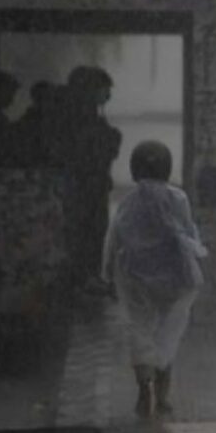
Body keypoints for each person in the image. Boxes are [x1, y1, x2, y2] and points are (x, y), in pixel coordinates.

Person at [100, 141, 207, 420]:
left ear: (135, 170)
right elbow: (189, 235)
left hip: (135, 278)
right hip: (174, 279)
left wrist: (108, 274)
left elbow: (113, 239)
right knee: (167, 336)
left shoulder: (129, 201)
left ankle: (143, 390)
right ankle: (163, 397)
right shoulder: (178, 198)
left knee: (140, 330)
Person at [63, 66, 123, 288]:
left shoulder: (89, 116)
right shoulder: (80, 118)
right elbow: (88, 150)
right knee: (86, 230)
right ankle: (84, 276)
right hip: (84, 186)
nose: (107, 94)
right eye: (104, 89)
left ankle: (87, 275)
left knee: (93, 230)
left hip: (92, 185)